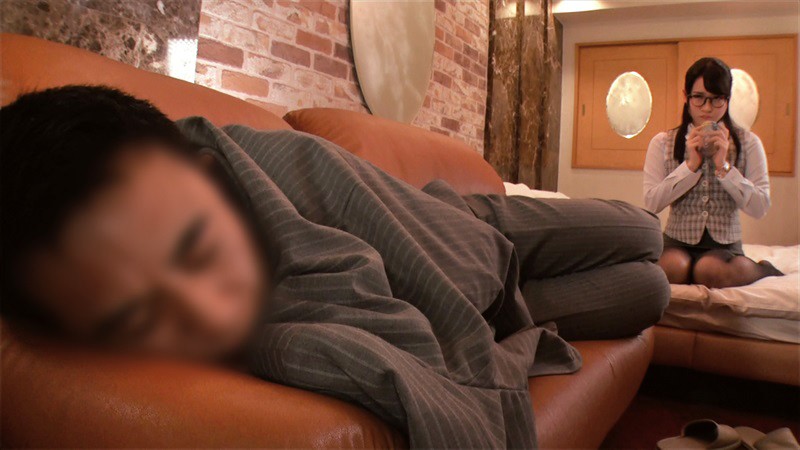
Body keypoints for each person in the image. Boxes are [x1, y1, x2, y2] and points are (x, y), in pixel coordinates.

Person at [0, 85, 669, 448]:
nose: (208, 311)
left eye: (196, 246)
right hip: (480, 308)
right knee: (648, 290)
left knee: (643, 229)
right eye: (141, 317)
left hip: (463, 226)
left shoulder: (266, 160)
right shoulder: (276, 332)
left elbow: (400, 230)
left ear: (211, 180)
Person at [643, 57, 783, 289]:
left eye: (717, 98)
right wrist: (690, 166)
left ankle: (764, 269)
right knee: (671, 269)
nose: (707, 108)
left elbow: (760, 207)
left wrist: (724, 167)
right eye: (699, 97)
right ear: (686, 96)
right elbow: (651, 202)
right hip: (677, 241)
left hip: (725, 246)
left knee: (708, 270)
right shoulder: (663, 142)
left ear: (727, 99)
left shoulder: (748, 143)